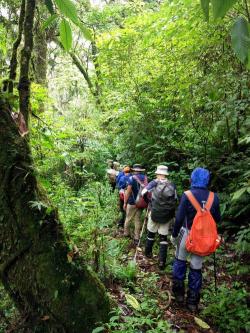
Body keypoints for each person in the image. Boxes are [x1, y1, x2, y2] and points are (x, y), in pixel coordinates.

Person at [170, 167, 220, 311]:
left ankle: (179, 294)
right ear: (207, 180)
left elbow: (179, 218)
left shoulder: (187, 195)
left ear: (192, 179)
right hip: (203, 238)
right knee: (196, 267)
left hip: (187, 234)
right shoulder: (213, 197)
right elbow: (217, 219)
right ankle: (192, 302)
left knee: (180, 261)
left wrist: (174, 235)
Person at [142, 165, 177, 270]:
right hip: (166, 215)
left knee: (151, 233)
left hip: (154, 212)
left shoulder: (154, 183)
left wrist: (148, 201)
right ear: (165, 174)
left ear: (158, 173)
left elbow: (143, 192)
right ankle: (162, 261)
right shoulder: (172, 184)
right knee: (163, 237)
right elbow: (175, 199)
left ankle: (148, 253)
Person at [123, 164, 148, 245]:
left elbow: (128, 192)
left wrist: (125, 202)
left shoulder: (131, 178)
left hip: (132, 202)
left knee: (128, 218)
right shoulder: (145, 178)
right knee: (137, 220)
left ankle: (126, 234)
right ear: (141, 170)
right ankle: (136, 238)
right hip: (141, 202)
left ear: (134, 170)